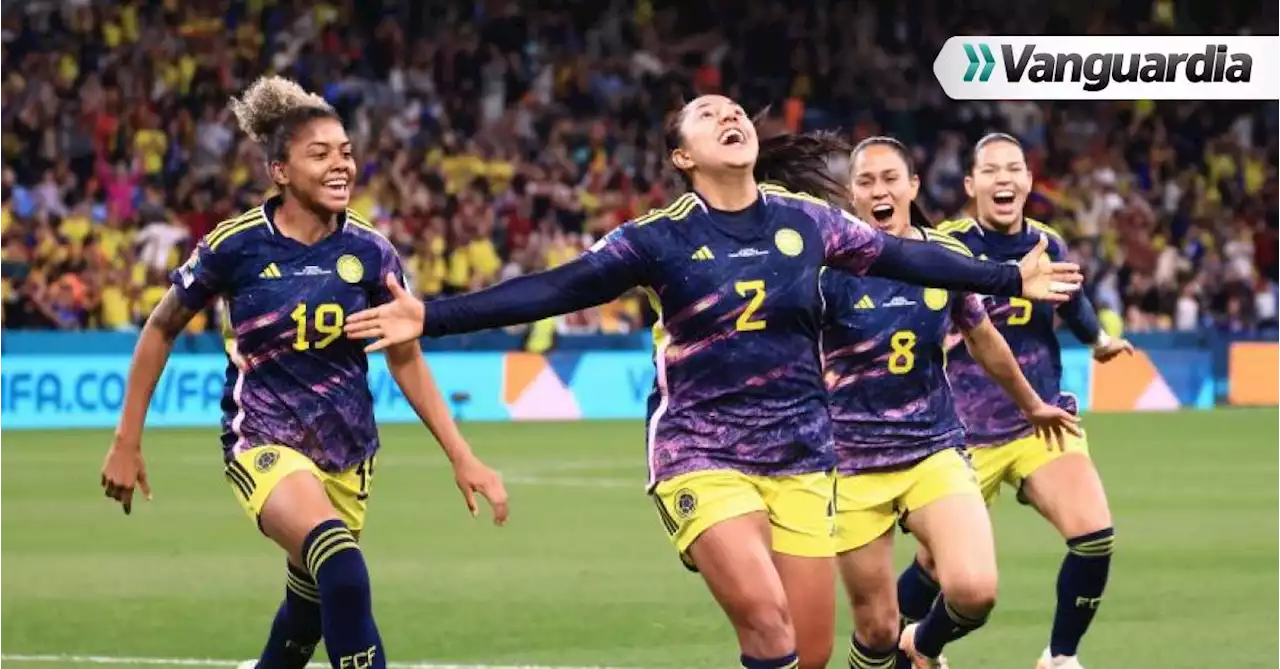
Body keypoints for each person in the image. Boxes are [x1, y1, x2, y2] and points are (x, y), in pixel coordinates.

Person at [343, 95, 1082, 669]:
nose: (729, 115)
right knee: (767, 619)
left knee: (812, 653)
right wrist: (431, 316)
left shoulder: (808, 222)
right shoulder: (659, 236)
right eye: (708, 116)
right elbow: (556, 287)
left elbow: (908, 257)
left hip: (801, 458)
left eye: (735, 111)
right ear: (682, 155)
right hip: (702, 452)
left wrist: (1008, 273)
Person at [98, 76, 509, 669]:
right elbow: (160, 328)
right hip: (263, 441)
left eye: (345, 152)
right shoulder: (236, 246)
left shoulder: (371, 252)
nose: (341, 164)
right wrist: (126, 439)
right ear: (280, 172)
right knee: (342, 568)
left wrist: (461, 454)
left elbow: (405, 357)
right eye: (320, 154)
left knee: (311, 606)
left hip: (348, 452)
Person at [821, 136, 1082, 669]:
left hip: (932, 450)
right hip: (850, 463)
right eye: (866, 182)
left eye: (891, 178)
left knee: (975, 590)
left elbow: (984, 337)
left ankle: (921, 645)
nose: (880, 190)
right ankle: (895, 646)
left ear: (913, 187)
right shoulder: (826, 269)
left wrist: (1031, 405)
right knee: (874, 629)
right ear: (851, 195)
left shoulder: (945, 259)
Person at [897, 133, 1133, 669]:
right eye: (991, 170)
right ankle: (892, 645)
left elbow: (1071, 299)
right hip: (958, 437)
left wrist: (1098, 342)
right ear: (970, 184)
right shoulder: (944, 245)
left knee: (1094, 536)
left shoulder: (1048, 243)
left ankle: (1059, 656)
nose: (1004, 179)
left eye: (1015, 169)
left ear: (1028, 180)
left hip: (1040, 421)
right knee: (936, 568)